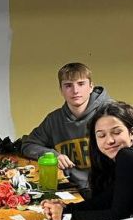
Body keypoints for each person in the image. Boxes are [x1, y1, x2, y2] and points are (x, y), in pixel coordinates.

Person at [21, 62, 112, 195]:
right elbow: (28, 145)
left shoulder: (111, 113)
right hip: (73, 189)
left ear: (91, 86)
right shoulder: (54, 119)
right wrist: (53, 155)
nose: (75, 91)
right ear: (61, 90)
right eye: (68, 85)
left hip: (108, 189)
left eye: (81, 84)